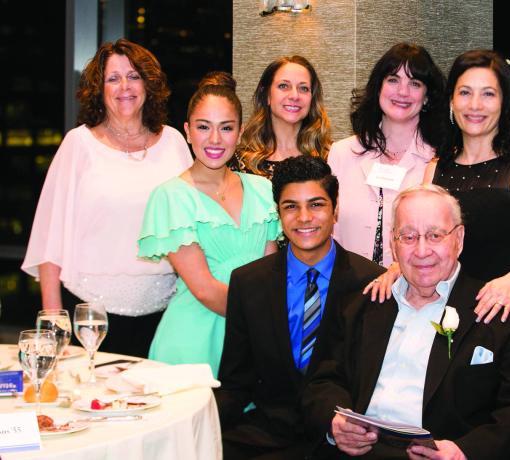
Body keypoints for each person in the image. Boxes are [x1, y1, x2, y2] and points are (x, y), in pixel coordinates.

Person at [303, 185, 510, 459]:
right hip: (357, 453)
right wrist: (335, 425)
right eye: (408, 236)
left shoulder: (506, 316)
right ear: (393, 245)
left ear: (459, 238)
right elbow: (321, 381)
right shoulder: (361, 304)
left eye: (434, 235)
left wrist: (463, 452)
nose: (421, 251)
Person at [21, 39, 192, 357]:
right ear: (99, 89)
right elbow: (50, 236)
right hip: (89, 320)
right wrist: (53, 319)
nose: (124, 87)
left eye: (134, 76)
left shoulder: (174, 142)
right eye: (113, 78)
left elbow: (195, 229)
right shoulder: (78, 144)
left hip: (167, 317)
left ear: (149, 84)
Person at [215, 156, 384, 460]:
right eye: (291, 206)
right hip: (268, 434)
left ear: (336, 210)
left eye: (317, 204)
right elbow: (235, 383)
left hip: (343, 438)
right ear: (278, 213)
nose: (304, 217)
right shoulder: (248, 283)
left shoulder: (372, 284)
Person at [137, 76, 282, 376]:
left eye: (226, 127)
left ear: (240, 133)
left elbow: (271, 273)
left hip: (252, 345)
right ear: (188, 132)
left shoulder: (262, 189)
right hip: (191, 346)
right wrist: (270, 324)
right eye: (203, 127)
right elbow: (203, 289)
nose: (215, 139)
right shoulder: (170, 197)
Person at [424, 49, 510, 323]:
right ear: (451, 101)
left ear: (505, 103)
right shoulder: (433, 169)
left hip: (506, 316)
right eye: (464, 93)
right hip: (445, 318)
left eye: (488, 94)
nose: (475, 105)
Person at [328, 42, 446, 267]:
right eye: (393, 80)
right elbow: (330, 232)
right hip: (347, 290)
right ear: (378, 87)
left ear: (427, 96)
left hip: (416, 291)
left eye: (415, 83)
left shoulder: (440, 160)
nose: (402, 92)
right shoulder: (341, 153)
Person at [236, 56, 331, 178]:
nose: (295, 96)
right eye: (283, 86)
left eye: (303, 88)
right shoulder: (239, 161)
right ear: (267, 95)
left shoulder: (331, 157)